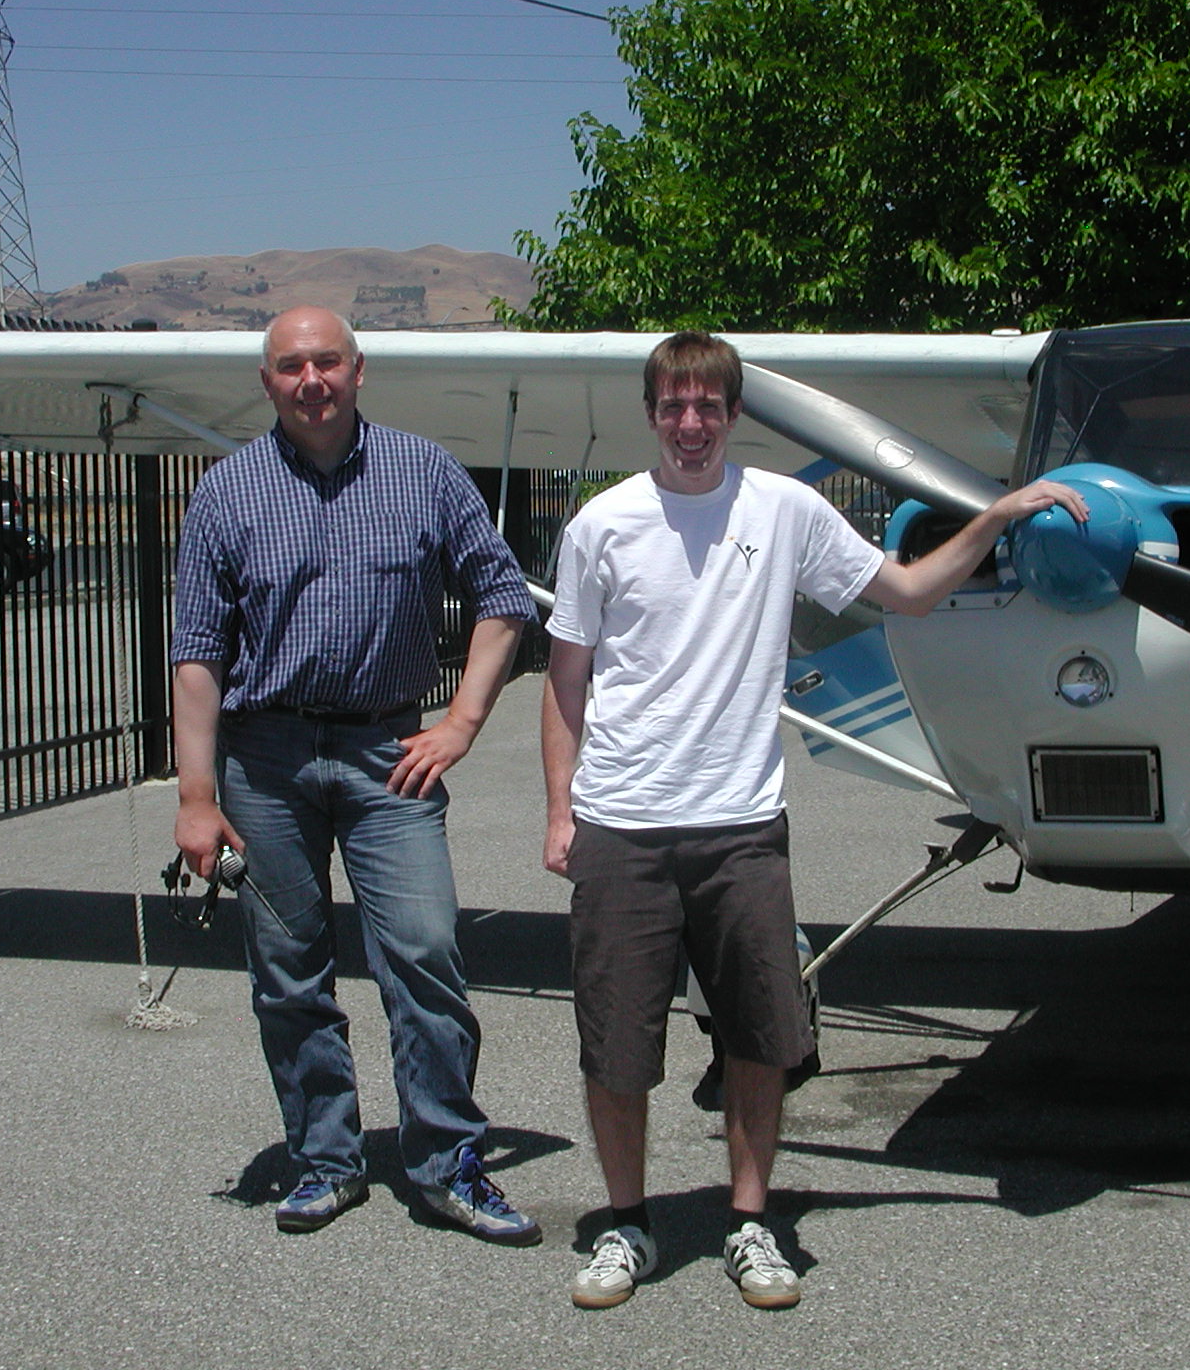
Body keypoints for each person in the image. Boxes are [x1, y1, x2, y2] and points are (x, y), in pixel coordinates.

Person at [542, 331, 1085, 1308]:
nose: (691, 423)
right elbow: (565, 682)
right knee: (616, 1044)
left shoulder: (784, 511)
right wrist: (559, 812)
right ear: (651, 414)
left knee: (759, 1033)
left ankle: (749, 1226)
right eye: (673, 405)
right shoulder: (603, 526)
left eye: (709, 405)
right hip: (621, 825)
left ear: (734, 414)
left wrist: (998, 514)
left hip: (741, 827)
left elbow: (909, 593)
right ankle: (626, 1226)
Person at [172, 305, 541, 1245]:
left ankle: (447, 1163)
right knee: (289, 974)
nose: (311, 380)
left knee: (424, 953)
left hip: (390, 758)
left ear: (358, 369)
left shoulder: (424, 472)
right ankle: (325, 1162)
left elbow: (503, 599)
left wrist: (462, 720)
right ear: (268, 383)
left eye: (326, 361)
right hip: (266, 761)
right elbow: (197, 655)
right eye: (291, 366)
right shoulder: (226, 492)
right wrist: (196, 798)